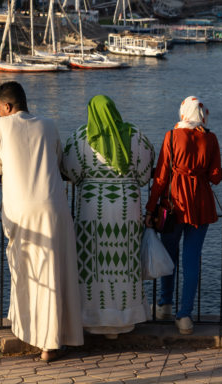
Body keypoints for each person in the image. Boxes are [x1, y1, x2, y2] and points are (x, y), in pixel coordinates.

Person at [0, 81, 83, 361]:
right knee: (56, 272)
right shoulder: (49, 125)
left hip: (22, 210)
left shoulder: (1, 125)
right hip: (53, 206)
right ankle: (51, 343)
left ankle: (32, 333)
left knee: (29, 273)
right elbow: (59, 160)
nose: (0, 113)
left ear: (7, 106)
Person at [62, 94, 154, 339]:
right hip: (127, 207)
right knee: (124, 262)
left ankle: (92, 320)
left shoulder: (80, 137)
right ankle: (124, 320)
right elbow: (145, 175)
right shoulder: (136, 135)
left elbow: (69, 171)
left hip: (91, 208)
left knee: (91, 264)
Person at [145, 96, 221, 335]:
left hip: (174, 205)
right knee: (192, 260)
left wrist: (150, 209)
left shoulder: (171, 136)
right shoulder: (210, 138)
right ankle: (185, 316)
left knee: (169, 256)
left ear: (183, 113)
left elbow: (160, 178)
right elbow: (216, 176)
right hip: (201, 206)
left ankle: (164, 305)